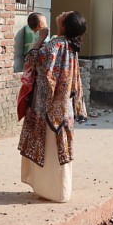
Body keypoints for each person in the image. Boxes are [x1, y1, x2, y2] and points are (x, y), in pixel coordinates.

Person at [18, 11, 87, 202]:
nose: (62, 12)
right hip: (63, 107)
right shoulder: (69, 45)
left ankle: (52, 191)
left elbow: (32, 61)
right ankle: (59, 190)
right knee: (58, 149)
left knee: (50, 149)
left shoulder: (56, 44)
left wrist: (40, 38)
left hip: (48, 107)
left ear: (64, 24)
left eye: (65, 14)